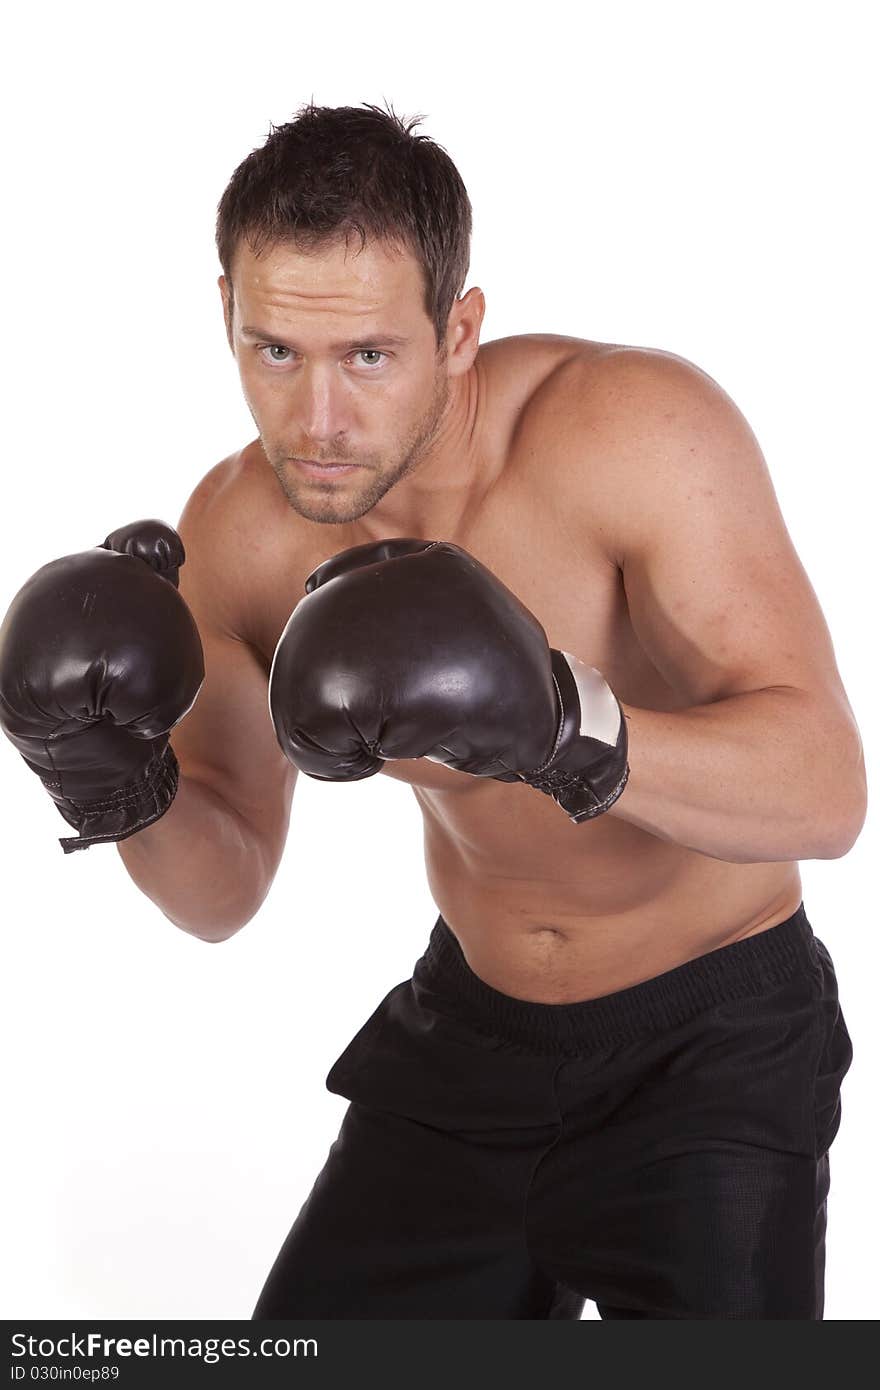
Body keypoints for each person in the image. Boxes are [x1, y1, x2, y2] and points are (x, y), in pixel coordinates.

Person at [0, 102, 865, 1320]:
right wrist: (107, 780)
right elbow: (222, 889)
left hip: (713, 1045)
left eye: (367, 355)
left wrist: (568, 724)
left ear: (458, 329)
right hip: (468, 1040)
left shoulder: (634, 433)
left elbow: (826, 793)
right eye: (275, 353)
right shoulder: (240, 532)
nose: (317, 422)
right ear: (225, 319)